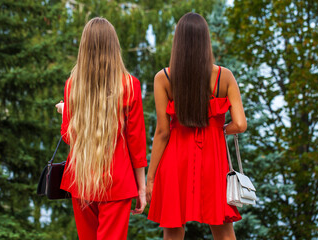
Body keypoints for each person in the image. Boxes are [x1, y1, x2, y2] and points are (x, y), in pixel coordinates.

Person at [146, 13, 246, 240]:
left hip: (174, 161)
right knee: (222, 228)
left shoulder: (164, 78)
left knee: (173, 229)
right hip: (213, 160)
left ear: (178, 42)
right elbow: (240, 124)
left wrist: (150, 178)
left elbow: (162, 132)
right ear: (205, 40)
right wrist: (218, 129)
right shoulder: (224, 76)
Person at [55, 17, 147, 240]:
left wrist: (64, 111)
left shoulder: (72, 84)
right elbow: (136, 142)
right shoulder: (130, 85)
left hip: (82, 179)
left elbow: (69, 136)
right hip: (117, 181)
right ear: (114, 46)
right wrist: (141, 189)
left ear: (84, 47)